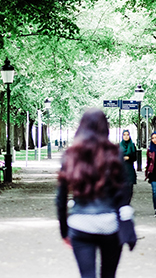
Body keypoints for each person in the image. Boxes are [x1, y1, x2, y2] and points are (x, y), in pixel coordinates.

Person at [56, 109, 133, 278]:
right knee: (108, 275)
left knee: (87, 275)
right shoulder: (114, 154)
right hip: (109, 224)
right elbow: (124, 192)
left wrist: (64, 231)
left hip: (80, 224)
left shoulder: (71, 155)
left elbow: (61, 199)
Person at [119, 130, 137, 202]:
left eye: (127, 135)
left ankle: (127, 202)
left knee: (130, 188)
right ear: (122, 136)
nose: (126, 136)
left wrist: (129, 157)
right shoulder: (119, 146)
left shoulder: (132, 145)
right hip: (121, 169)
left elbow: (135, 157)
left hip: (129, 168)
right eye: (124, 135)